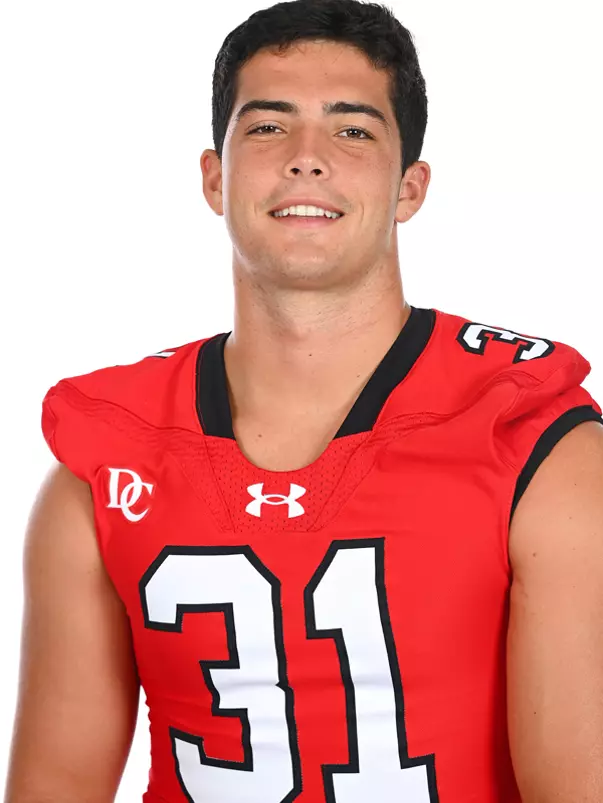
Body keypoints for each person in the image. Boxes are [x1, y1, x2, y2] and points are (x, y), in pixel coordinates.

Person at [5, 0, 603, 800]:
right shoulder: (106, 463)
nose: (306, 158)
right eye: (267, 127)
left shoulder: (535, 445)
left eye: (352, 130)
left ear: (409, 187)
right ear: (215, 179)